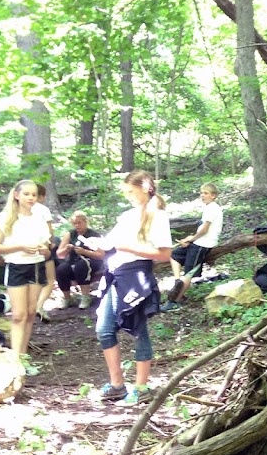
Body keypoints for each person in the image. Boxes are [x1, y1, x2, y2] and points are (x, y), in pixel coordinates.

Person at [89, 170, 172, 406]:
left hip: (136, 275)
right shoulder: (127, 216)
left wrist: (130, 248)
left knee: (138, 328)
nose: (128, 196)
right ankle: (117, 385)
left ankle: (142, 387)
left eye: (131, 191)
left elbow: (165, 254)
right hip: (115, 273)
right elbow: (110, 244)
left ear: (145, 188)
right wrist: (98, 244)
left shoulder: (158, 216)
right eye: (125, 192)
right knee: (104, 329)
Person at [0, 180, 51, 357]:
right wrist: (20, 247)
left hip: (37, 266)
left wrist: (44, 249)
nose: (31, 198)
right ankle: (14, 358)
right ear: (16, 195)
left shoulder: (39, 216)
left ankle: (22, 356)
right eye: (26, 194)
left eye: (33, 194)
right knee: (18, 315)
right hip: (16, 267)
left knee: (31, 313)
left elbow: (47, 245)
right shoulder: (5, 217)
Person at [162, 182, 223, 311]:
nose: (202, 195)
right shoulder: (209, 208)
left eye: (206, 193)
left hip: (202, 245)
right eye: (201, 193)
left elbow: (205, 229)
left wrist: (192, 239)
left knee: (189, 272)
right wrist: (190, 240)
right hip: (197, 242)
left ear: (214, 195)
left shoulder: (213, 208)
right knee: (175, 255)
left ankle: (175, 301)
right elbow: (202, 229)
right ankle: (178, 282)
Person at [54, 211, 104, 310]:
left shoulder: (94, 235)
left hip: (91, 261)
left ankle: (85, 297)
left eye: (79, 222)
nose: (77, 225)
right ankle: (67, 298)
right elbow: (59, 254)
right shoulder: (70, 234)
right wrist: (66, 249)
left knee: (82, 266)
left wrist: (84, 251)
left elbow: (100, 255)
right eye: (74, 223)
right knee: (61, 269)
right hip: (73, 261)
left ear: (85, 222)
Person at [32, 183, 58, 322]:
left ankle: (32, 306)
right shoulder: (43, 209)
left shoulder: (19, 209)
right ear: (41, 196)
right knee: (50, 279)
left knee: (33, 279)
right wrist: (51, 243)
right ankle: (39, 306)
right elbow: (49, 230)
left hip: (27, 250)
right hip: (43, 247)